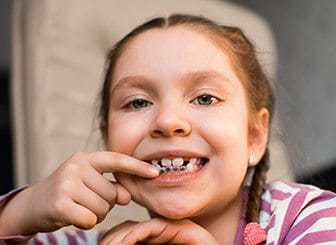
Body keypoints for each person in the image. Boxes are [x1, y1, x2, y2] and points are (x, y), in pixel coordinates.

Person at [1, 14, 336, 245]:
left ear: (255, 137)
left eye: (205, 98)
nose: (167, 121)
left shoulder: (309, 217)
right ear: (108, 139)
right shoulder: (87, 240)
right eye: (137, 103)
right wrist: (22, 210)